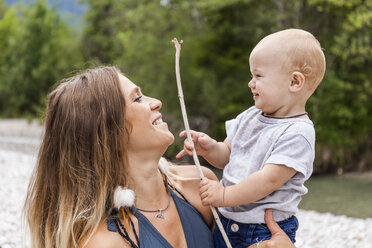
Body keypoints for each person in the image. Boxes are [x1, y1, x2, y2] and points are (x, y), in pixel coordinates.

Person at [24, 66, 296, 248]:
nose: (156, 102)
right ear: (106, 130)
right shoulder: (107, 240)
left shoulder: (199, 186)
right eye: (137, 99)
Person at [177, 28, 326, 247]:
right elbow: (228, 154)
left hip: (261, 230)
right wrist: (210, 149)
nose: (250, 83)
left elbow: (268, 180)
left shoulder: (298, 133)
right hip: (227, 220)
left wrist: (225, 196)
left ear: (294, 82)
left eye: (258, 76)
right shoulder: (251, 115)